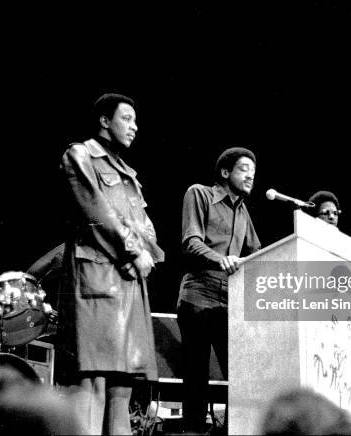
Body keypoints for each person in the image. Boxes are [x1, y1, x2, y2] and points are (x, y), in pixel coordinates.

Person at [58, 93, 164, 435]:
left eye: (135, 120)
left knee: (123, 383)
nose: (134, 127)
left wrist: (144, 253)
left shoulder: (128, 173)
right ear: (105, 120)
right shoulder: (80, 154)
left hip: (130, 282)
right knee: (95, 377)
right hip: (98, 275)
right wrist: (133, 251)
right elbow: (97, 212)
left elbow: (147, 225)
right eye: (126, 118)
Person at [176, 147, 261, 433]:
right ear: (225, 172)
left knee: (240, 373)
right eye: (244, 168)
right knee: (197, 376)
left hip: (231, 301)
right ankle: (193, 430)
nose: (251, 175)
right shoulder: (199, 194)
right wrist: (220, 258)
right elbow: (191, 240)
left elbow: (256, 252)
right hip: (199, 294)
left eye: (253, 170)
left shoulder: (243, 211)